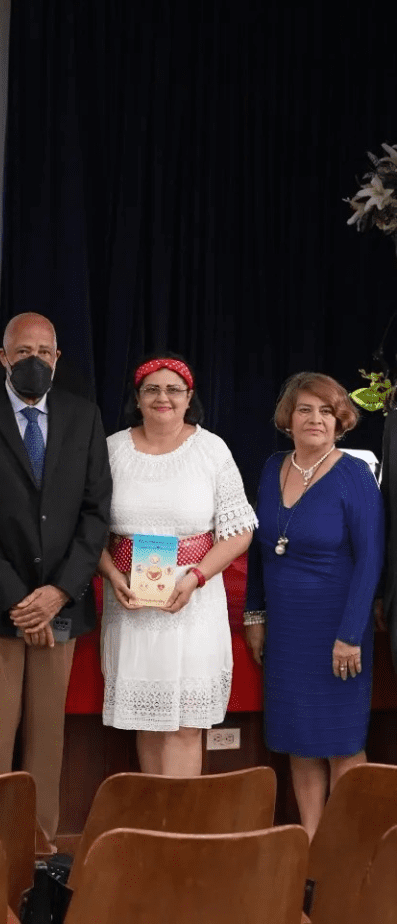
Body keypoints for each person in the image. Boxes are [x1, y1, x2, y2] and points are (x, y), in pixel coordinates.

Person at [0, 312, 111, 849]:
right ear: (2, 358)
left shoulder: (84, 417)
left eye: (44, 351)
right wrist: (19, 598)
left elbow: (95, 512)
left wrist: (59, 591)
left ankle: (38, 853)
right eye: (23, 352)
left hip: (61, 603)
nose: (34, 360)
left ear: (58, 358)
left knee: (47, 740)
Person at [97, 354, 256, 775]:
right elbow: (86, 527)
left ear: (189, 399)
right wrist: (112, 574)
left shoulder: (211, 450)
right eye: (152, 389)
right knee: (146, 726)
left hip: (194, 604)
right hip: (131, 603)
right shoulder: (111, 449)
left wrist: (197, 578)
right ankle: (154, 831)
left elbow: (240, 530)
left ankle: (181, 835)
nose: (162, 397)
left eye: (173, 389)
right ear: (137, 398)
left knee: (186, 727)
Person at [245, 372, 384, 836]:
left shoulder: (354, 474)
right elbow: (261, 553)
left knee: (341, 742)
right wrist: (256, 615)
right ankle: (310, 844)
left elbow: (370, 561)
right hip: (287, 630)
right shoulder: (271, 467)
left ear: (341, 420)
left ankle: (346, 851)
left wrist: (349, 636)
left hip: (337, 630)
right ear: (289, 416)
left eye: (327, 411)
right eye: (305, 409)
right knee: (299, 742)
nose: (315, 419)